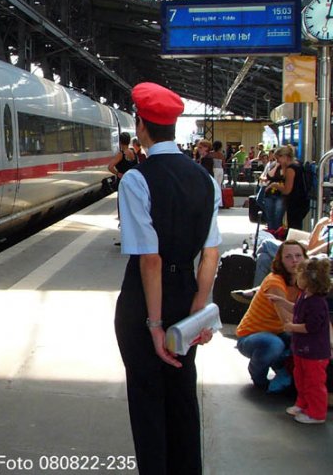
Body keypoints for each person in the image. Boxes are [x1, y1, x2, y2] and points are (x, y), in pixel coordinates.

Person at [115, 82, 221, 475]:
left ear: (141, 126)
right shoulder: (205, 180)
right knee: (182, 397)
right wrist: (199, 313)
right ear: (174, 126)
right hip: (186, 292)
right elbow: (210, 253)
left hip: (145, 302)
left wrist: (155, 325)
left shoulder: (136, 180)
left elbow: (150, 261)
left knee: (147, 400)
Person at [235, 240, 305, 392]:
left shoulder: (303, 283)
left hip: (279, 332)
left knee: (304, 344)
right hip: (251, 336)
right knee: (275, 345)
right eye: (288, 257)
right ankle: (258, 376)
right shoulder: (275, 281)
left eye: (298, 255)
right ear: (280, 261)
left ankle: (283, 370)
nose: (294, 260)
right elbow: (287, 322)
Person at [269, 256, 332, 424]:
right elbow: (297, 309)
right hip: (303, 350)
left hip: (315, 352)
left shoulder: (317, 303)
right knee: (301, 378)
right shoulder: (304, 297)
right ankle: (303, 404)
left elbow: (311, 327)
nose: (296, 278)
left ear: (309, 279)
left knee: (314, 382)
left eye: (299, 275)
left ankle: (317, 413)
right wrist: (282, 302)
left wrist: (291, 327)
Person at [268, 145, 309, 230]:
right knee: (296, 226)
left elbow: (287, 190)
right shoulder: (298, 165)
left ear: (285, 156)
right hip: (301, 201)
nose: (277, 161)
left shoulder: (291, 169)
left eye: (278, 158)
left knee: (293, 227)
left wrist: (274, 185)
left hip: (295, 202)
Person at [259, 153, 285, 233]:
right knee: (269, 215)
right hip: (270, 193)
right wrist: (276, 166)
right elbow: (269, 176)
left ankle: (277, 233)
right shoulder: (273, 165)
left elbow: (283, 175)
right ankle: (271, 231)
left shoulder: (287, 167)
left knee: (278, 215)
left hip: (280, 194)